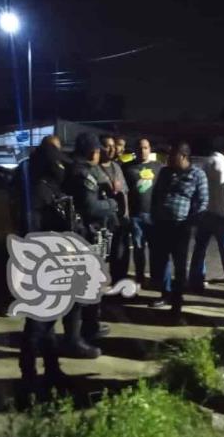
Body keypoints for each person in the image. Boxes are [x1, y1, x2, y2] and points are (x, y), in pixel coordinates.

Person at [18, 139, 71, 395]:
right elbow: (32, 229)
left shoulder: (49, 187)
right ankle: (28, 372)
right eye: (57, 161)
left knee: (49, 321)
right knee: (37, 323)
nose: (61, 166)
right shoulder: (37, 190)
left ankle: (52, 367)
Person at [61, 133, 119, 358]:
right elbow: (90, 208)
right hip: (80, 237)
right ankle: (73, 340)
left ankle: (88, 329)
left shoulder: (73, 168)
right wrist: (112, 204)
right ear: (92, 151)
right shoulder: (81, 172)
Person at [151, 141, 209, 320]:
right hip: (162, 225)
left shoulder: (197, 174)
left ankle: (177, 304)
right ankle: (164, 294)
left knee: (180, 267)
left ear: (183, 156)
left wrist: (191, 222)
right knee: (161, 263)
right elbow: (156, 195)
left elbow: (203, 202)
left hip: (181, 227)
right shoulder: (165, 172)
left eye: (172, 155)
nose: (168, 159)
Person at [188, 138, 224, 291]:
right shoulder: (223, 166)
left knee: (200, 248)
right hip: (220, 214)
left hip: (204, 212)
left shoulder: (206, 162)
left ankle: (196, 278)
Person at [123, 137, 163, 285]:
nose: (142, 151)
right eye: (139, 148)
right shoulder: (126, 167)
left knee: (155, 249)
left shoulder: (158, 167)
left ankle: (155, 277)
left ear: (150, 149)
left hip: (154, 216)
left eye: (145, 148)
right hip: (135, 216)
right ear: (134, 150)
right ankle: (140, 277)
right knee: (138, 248)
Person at [95, 135, 131, 283]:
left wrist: (127, 214)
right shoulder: (94, 169)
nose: (111, 149)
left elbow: (125, 192)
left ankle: (120, 284)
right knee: (101, 257)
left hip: (120, 220)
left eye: (112, 146)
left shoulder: (117, 167)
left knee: (121, 254)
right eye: (107, 146)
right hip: (103, 221)